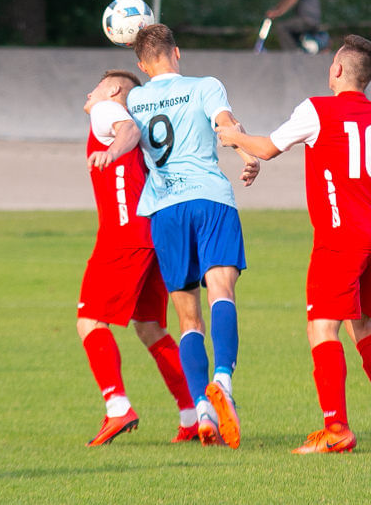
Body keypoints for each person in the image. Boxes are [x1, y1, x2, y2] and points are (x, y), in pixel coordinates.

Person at [216, 34, 371, 453]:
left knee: (321, 326)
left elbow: (267, 148)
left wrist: (234, 137)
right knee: (363, 325)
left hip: (342, 236)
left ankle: (336, 428)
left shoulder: (318, 109)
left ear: (337, 70)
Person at [122, 24, 260, 448]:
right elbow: (225, 124)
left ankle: (202, 406)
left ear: (142, 65)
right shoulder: (205, 86)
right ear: (176, 53)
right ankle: (224, 382)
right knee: (222, 291)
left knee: (187, 319)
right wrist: (245, 152)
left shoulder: (136, 97)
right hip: (210, 200)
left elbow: (122, 126)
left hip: (165, 208)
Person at [78, 69, 198, 446]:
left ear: (113, 90)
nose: (90, 90)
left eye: (97, 84)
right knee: (151, 329)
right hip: (152, 234)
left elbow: (125, 131)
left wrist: (111, 150)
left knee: (90, 321)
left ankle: (117, 407)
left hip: (123, 236)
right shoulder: (143, 127)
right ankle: (194, 416)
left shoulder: (106, 112)